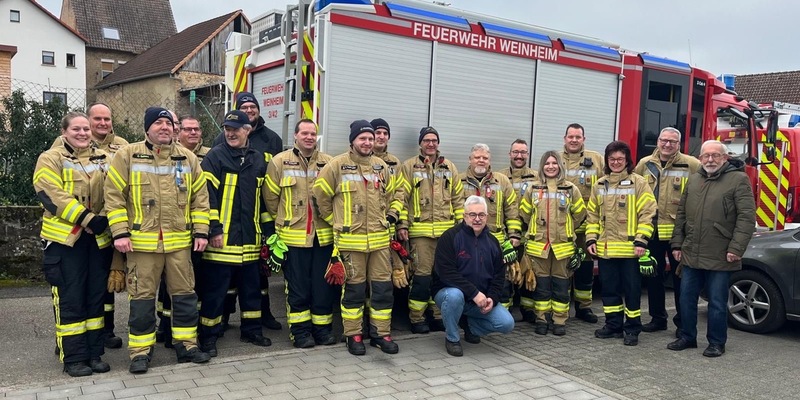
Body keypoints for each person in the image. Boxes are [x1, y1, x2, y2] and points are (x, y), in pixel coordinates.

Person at [104, 107, 211, 374]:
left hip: (179, 244)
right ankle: (140, 352)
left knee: (185, 296)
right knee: (142, 300)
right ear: (147, 128)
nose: (164, 127)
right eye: (158, 123)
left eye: (168, 123)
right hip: (141, 244)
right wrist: (120, 232)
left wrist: (201, 231)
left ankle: (187, 345)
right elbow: (114, 196)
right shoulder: (127, 155)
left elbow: (200, 198)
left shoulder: (187, 158)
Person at [312, 120, 404, 356]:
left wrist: (392, 216)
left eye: (370, 138)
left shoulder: (381, 167)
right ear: (352, 141)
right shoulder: (336, 166)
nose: (367, 142)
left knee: (382, 290)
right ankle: (353, 335)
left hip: (380, 243)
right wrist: (335, 220)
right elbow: (319, 196)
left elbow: (397, 194)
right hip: (350, 244)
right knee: (354, 292)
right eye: (362, 138)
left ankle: (381, 334)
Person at [34, 112, 113, 377]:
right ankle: (74, 358)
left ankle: (94, 354)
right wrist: (87, 218)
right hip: (65, 242)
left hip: (97, 240)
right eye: (76, 129)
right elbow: (51, 194)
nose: (82, 133)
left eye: (85, 129)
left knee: (95, 298)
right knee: (70, 299)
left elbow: (115, 190)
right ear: (64, 131)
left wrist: (104, 219)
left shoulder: (103, 158)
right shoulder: (50, 158)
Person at [668, 140, 755, 357]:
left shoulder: (738, 180)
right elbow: (681, 215)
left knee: (716, 302)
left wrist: (736, 248)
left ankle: (716, 342)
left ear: (725, 158)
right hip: (691, 252)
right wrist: (677, 244)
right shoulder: (694, 179)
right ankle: (687, 337)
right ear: (700, 158)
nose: (710, 159)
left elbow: (746, 218)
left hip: (721, 252)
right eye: (706, 155)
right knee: (686, 299)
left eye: (715, 155)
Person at [196, 110, 273, 357]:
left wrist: (268, 234)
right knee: (215, 293)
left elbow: (263, 201)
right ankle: (208, 336)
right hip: (222, 241)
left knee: (251, 291)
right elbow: (207, 197)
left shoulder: (258, 159)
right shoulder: (215, 156)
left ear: (247, 130)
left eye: (235, 129)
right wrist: (213, 230)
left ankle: (252, 331)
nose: (230, 133)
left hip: (250, 240)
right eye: (227, 129)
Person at [264, 119, 336, 349]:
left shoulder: (329, 163)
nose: (309, 137)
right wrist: (283, 224)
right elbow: (270, 199)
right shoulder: (279, 162)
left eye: (312, 133)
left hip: (323, 237)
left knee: (322, 288)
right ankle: (300, 333)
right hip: (293, 239)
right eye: (304, 133)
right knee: (298, 289)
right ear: (295, 136)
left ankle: (322, 331)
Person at [215, 92, 283, 331]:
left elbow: (274, 179)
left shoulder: (272, 139)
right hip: (231, 221)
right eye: (244, 107)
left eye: (253, 106)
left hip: (257, 216)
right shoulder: (220, 142)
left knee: (258, 276)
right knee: (227, 278)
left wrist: (270, 226)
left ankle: (263, 316)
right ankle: (223, 318)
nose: (250, 110)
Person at [585, 141, 656, 346]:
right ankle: (613, 325)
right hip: (606, 249)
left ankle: (632, 329)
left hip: (631, 250)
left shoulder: (638, 183)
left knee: (632, 292)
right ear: (607, 161)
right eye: (612, 159)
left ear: (627, 161)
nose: (616, 162)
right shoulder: (600, 185)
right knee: (609, 291)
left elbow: (647, 213)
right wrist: (591, 239)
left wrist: (641, 241)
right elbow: (592, 216)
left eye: (620, 159)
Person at [633, 127, 700, 336]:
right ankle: (658, 318)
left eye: (672, 141)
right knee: (653, 276)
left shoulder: (691, 164)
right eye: (664, 140)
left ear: (679, 144)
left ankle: (683, 323)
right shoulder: (645, 164)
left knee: (681, 280)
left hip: (678, 234)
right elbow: (633, 190)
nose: (667, 144)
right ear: (658, 141)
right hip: (651, 232)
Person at [398, 127, 465, 334]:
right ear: (420, 143)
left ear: (438, 143)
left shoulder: (449, 167)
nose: (430, 144)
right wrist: (402, 224)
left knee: (442, 277)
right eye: (426, 140)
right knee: (421, 278)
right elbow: (402, 197)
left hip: (446, 235)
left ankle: (438, 315)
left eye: (434, 140)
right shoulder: (409, 166)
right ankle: (417, 318)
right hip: (420, 234)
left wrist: (462, 228)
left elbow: (458, 199)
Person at [431, 195, 515, 357]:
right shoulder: (450, 237)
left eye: (481, 215)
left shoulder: (493, 242)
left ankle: (468, 326)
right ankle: (452, 338)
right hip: (450, 294)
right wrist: (474, 293)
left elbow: (499, 276)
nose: (477, 219)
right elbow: (446, 273)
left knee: (507, 324)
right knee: (454, 296)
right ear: (464, 216)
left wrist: (492, 298)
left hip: (480, 301)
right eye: (472, 215)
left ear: (487, 217)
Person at [156, 115, 211, 347]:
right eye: (187, 129)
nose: (193, 133)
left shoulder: (208, 155)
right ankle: (165, 328)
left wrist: (202, 230)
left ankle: (188, 335)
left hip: (191, 233)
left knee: (190, 287)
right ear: (179, 132)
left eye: (196, 129)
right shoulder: (166, 154)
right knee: (166, 290)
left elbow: (202, 197)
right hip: (164, 235)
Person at [519, 151, 587, 336]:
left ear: (560, 166)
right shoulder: (532, 189)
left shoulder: (571, 189)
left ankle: (559, 321)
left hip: (562, 248)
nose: (550, 166)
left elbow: (580, 215)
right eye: (547, 163)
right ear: (542, 167)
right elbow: (525, 214)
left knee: (561, 287)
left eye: (554, 163)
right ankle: (542, 319)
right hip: (539, 247)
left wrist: (565, 230)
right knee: (541, 287)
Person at [458, 144, 521, 313]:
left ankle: (501, 314)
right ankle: (470, 316)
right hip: (468, 242)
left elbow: (512, 209)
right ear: (470, 160)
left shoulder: (502, 181)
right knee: (471, 277)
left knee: (502, 280)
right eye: (477, 157)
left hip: (497, 242)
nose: (481, 160)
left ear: (490, 160)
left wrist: (514, 236)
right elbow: (455, 210)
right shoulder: (458, 180)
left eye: (485, 158)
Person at [560, 123, 604, 324]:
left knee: (585, 268)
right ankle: (561, 308)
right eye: (571, 136)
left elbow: (605, 187)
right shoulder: (555, 159)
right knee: (562, 268)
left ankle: (584, 308)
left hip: (586, 228)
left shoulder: (596, 159)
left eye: (578, 137)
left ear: (583, 139)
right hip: (561, 227)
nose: (574, 140)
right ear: (565, 138)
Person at [498, 139, 538, 322]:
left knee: (529, 273)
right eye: (515, 152)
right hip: (507, 236)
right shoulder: (500, 177)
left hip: (529, 236)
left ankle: (528, 310)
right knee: (508, 274)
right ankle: (505, 312)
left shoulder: (537, 178)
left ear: (527, 154)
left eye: (523, 152)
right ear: (510, 154)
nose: (519, 156)